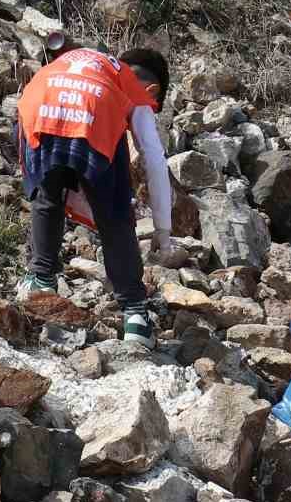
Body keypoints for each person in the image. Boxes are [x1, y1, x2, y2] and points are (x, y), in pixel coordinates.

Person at [14, 46, 183, 349]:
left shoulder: (88, 60)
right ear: (152, 90)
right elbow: (154, 159)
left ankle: (40, 282)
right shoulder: (131, 87)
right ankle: (135, 316)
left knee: (48, 195)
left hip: (38, 99)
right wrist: (163, 232)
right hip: (94, 108)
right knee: (115, 214)